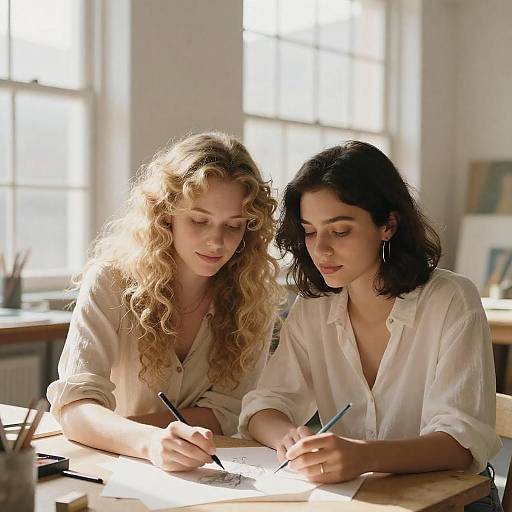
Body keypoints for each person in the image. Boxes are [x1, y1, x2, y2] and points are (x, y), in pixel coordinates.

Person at [240, 141, 502, 511]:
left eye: (340, 230)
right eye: (310, 232)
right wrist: (290, 438)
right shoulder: (314, 308)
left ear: (388, 225)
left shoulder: (451, 299)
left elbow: (460, 446)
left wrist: (364, 456)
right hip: (360, 500)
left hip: (452, 502)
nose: (321, 250)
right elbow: (265, 406)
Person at [48, 132, 280, 472]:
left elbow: (227, 411)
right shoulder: (110, 282)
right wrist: (150, 442)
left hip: (204, 471)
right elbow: (76, 407)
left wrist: (143, 432)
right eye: (199, 221)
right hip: (114, 469)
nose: (216, 241)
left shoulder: (253, 301)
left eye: (234, 226)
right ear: (165, 214)